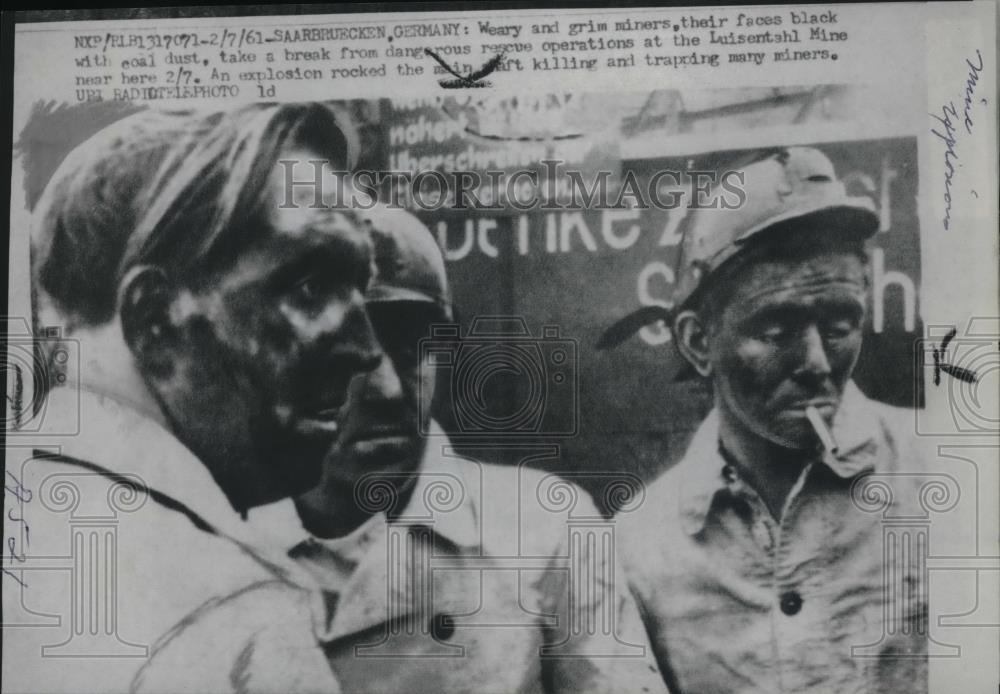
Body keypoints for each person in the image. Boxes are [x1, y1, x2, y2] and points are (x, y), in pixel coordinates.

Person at [136, 207, 671, 693]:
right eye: (341, 356)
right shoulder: (209, 546)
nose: (388, 389)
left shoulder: (543, 527)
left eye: (412, 348)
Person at [5, 103, 382, 693]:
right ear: (155, 319)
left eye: (361, 290)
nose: (366, 350)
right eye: (310, 286)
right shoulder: (233, 614)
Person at [608, 147, 930, 693]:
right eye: (777, 331)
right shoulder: (639, 550)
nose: (817, 363)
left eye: (839, 322)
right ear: (696, 341)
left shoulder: (953, 472)